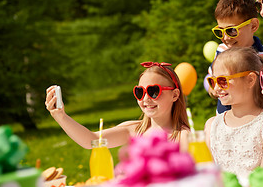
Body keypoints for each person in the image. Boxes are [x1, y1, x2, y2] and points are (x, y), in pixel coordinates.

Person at [45, 62, 190, 150]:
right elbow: (91, 141)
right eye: (140, 92)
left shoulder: (184, 137)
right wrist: (60, 116)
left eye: (153, 91)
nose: (145, 98)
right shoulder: (133, 131)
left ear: (175, 95)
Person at [204, 47, 263, 180]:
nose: (217, 88)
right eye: (212, 81)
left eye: (223, 80)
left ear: (250, 80)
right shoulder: (212, 125)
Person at [208, 0, 263, 115]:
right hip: (223, 121)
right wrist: (213, 88)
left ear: (253, 25)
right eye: (220, 32)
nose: (226, 38)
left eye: (231, 30)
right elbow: (211, 79)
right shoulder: (221, 50)